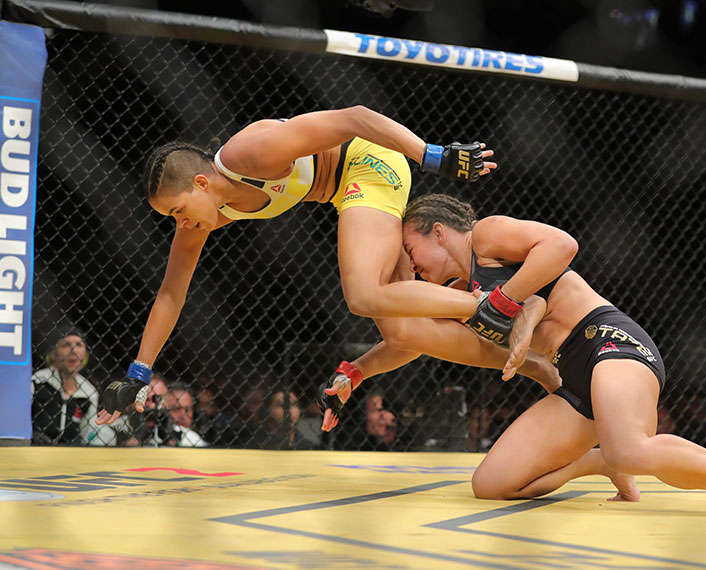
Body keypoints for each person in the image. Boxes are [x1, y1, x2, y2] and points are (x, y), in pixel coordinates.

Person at [339, 193, 706, 517]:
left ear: (437, 231)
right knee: (490, 485)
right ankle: (592, 462)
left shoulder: (486, 237)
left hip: (610, 342)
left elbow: (561, 245)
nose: (413, 265)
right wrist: (359, 368)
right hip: (570, 379)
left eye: (411, 248)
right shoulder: (458, 289)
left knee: (632, 450)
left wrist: (511, 301)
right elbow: (410, 338)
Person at [96, 104, 504, 425]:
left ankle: (489, 305)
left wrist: (432, 156)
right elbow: (171, 294)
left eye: (178, 210)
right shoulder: (204, 218)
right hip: (346, 191)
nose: (180, 223)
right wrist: (139, 372)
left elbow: (355, 118)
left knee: (363, 295)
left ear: (201, 183)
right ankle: (528, 359)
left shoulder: (248, 154)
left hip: (368, 160)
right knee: (403, 332)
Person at [31, 329, 100, 445]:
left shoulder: (89, 392)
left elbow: (89, 434)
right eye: (66, 345)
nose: (73, 350)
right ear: (53, 354)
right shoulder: (37, 382)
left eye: (79, 345)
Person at [252, 390, 319, 450]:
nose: (288, 411)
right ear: (268, 410)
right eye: (280, 405)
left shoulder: (311, 448)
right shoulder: (254, 445)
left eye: (293, 404)